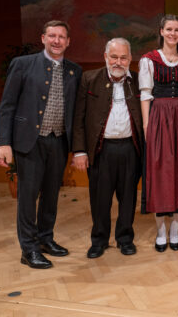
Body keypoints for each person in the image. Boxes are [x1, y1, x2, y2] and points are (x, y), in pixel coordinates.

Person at [0, 20, 82, 269]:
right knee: (28, 196)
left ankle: (45, 239)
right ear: (43, 38)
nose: (57, 41)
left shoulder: (74, 71)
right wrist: (4, 142)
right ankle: (29, 249)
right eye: (52, 36)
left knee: (51, 195)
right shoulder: (22, 64)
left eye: (61, 37)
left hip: (59, 141)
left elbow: (76, 112)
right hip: (29, 141)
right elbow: (7, 105)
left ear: (68, 41)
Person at [71, 38, 143, 258]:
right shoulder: (89, 79)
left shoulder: (138, 80)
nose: (118, 62)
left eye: (123, 58)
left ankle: (125, 239)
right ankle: (99, 241)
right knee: (100, 199)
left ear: (130, 59)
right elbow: (79, 117)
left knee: (128, 198)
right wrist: (80, 151)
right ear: (105, 57)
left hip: (131, 149)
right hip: (101, 150)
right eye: (114, 57)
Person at [139, 14, 178, 252]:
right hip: (159, 118)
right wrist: (147, 125)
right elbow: (145, 94)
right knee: (161, 172)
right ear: (161, 31)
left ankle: (175, 230)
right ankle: (161, 231)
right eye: (169, 29)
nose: (173, 34)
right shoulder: (149, 60)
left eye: (177, 30)